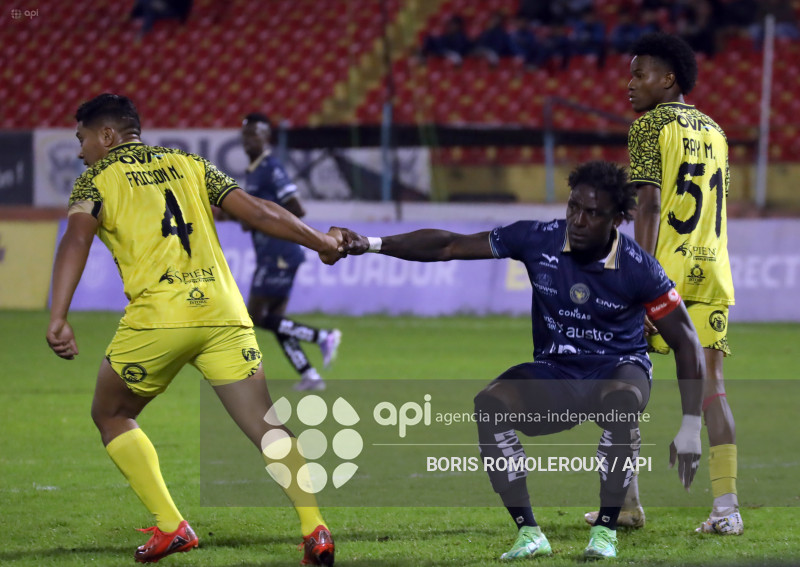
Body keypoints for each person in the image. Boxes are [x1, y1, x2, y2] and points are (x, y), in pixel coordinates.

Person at [335, 160, 706, 560]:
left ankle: (605, 530)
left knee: (620, 402)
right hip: (557, 373)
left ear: (617, 219)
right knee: (490, 404)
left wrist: (690, 425)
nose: (578, 220)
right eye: (573, 207)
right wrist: (370, 244)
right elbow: (449, 245)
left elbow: (686, 342)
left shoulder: (639, 268)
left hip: (618, 368)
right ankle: (529, 533)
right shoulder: (538, 238)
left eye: (593, 213)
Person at [46, 94, 340, 565]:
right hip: (223, 312)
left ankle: (170, 526)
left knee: (112, 413)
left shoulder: (94, 179)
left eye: (82, 138)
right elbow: (260, 211)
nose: (81, 150)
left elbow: (76, 239)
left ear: (106, 136)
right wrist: (321, 240)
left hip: (160, 316)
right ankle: (315, 528)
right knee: (267, 426)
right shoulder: (192, 164)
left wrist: (58, 314)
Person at [588, 32, 742, 535]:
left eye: (639, 74)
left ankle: (626, 505)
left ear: (668, 78)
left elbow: (649, 203)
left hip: (663, 271)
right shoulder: (716, 131)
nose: (629, 84)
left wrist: (637, 271)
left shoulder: (650, 126)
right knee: (713, 389)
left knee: (621, 380)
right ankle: (727, 510)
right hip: (713, 271)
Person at [239, 113, 341, 392]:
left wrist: (263, 219)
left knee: (256, 317)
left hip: (279, 253)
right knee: (277, 322)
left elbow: (296, 207)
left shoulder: (271, 167)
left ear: (266, 137)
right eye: (246, 134)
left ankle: (322, 336)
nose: (249, 140)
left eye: (255, 134)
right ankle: (310, 374)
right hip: (272, 254)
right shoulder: (254, 169)